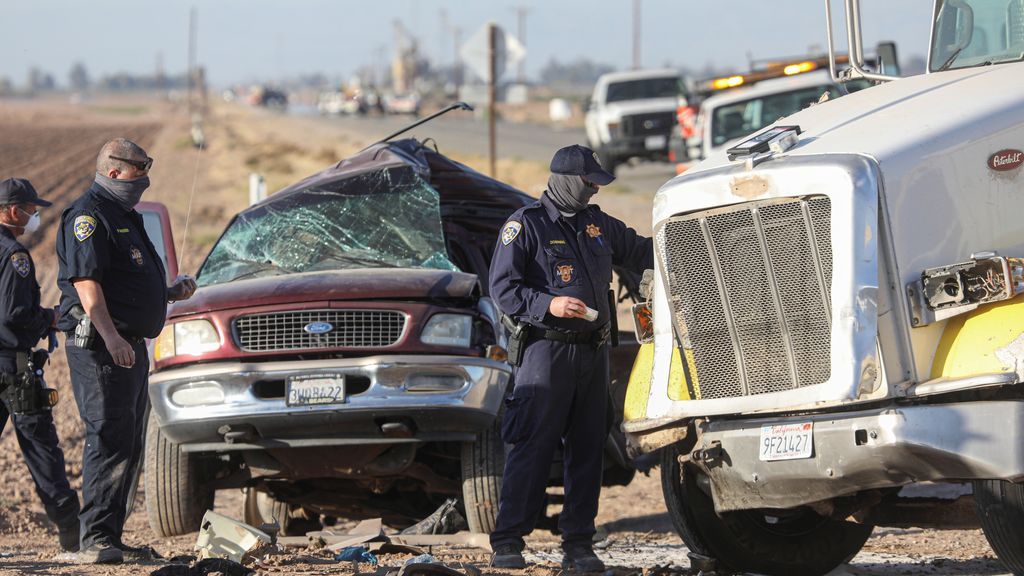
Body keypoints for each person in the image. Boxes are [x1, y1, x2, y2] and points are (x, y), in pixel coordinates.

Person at [488, 144, 653, 570]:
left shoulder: (598, 224)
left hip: (593, 355)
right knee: (533, 445)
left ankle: (578, 545)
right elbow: (503, 290)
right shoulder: (526, 226)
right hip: (546, 352)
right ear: (565, 179)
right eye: (589, 182)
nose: (595, 189)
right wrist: (549, 305)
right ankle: (508, 542)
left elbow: (641, 251)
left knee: (588, 448)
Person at [55, 139, 197, 564]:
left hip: (129, 348)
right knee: (108, 438)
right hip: (102, 348)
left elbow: (126, 280)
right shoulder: (89, 216)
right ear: (114, 172)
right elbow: (88, 288)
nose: (145, 179)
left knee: (129, 444)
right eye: (139, 171)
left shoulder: (125, 216)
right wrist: (114, 338)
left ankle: (111, 538)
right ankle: (95, 539)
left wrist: (168, 293)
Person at [0, 178, 81, 552]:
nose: (34, 216)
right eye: (31, 210)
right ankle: (71, 531)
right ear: (13, 211)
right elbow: (15, 314)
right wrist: (46, 319)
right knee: (41, 448)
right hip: (12, 370)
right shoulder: (14, 255)